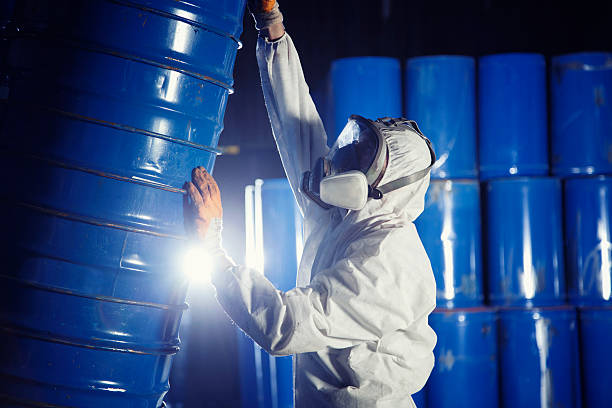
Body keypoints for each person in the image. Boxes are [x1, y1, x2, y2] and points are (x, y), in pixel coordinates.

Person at [183, 2, 437, 407]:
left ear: (384, 188)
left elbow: (282, 326)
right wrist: (271, 29)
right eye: (354, 148)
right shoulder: (348, 218)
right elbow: (297, 127)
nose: (343, 164)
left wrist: (214, 253)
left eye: (361, 161)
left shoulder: (387, 264)